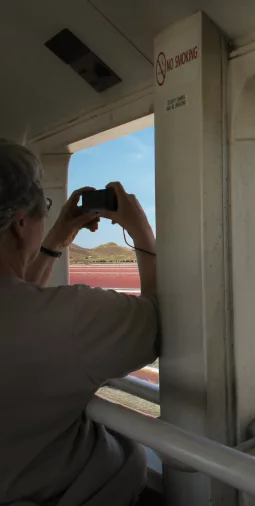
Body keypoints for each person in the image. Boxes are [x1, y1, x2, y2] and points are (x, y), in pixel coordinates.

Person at [0, 139, 159, 506]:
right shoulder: (72, 316)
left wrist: (56, 239)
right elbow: (157, 322)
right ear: (22, 222)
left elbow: (17, 298)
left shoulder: (37, 314)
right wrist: (140, 232)